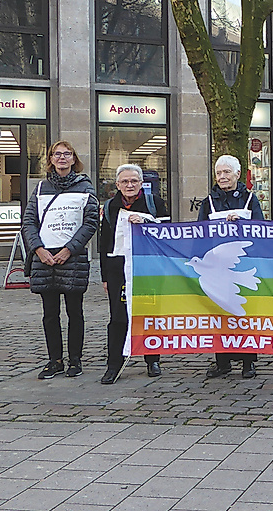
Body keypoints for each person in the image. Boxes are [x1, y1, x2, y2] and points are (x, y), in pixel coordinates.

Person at [22, 140, 99, 380]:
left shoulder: (86, 187)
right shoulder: (40, 188)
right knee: (50, 314)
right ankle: (54, 360)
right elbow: (28, 222)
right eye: (57, 154)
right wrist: (38, 250)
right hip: (44, 259)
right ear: (51, 159)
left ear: (74, 159)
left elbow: (91, 222)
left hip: (72, 259)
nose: (62, 158)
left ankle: (75, 360)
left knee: (75, 313)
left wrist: (69, 250)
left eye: (67, 154)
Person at [98, 164, 170, 384]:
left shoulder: (154, 204)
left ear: (141, 183)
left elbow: (166, 233)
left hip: (148, 268)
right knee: (118, 317)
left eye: (133, 181)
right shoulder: (110, 206)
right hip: (117, 268)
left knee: (148, 313)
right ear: (118, 185)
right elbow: (104, 242)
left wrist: (146, 222)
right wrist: (104, 276)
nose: (129, 185)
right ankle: (114, 364)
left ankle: (152, 359)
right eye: (125, 182)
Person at [199, 155, 265, 380]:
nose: (222, 177)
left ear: (238, 174)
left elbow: (261, 229)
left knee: (244, 312)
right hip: (216, 267)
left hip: (242, 263)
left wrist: (244, 225)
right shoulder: (208, 201)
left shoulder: (250, 200)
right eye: (219, 173)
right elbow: (200, 232)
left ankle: (248, 361)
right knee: (219, 312)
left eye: (227, 172)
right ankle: (222, 361)